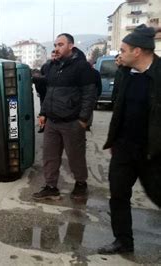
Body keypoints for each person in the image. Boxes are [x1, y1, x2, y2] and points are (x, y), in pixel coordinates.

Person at [97, 24, 161, 255]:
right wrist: (114, 141)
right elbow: (118, 108)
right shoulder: (125, 74)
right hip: (124, 148)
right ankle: (123, 241)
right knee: (118, 195)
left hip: (154, 152)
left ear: (138, 51)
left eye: (123, 50)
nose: (119, 54)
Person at [32, 33, 97, 201]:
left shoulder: (81, 67)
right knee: (50, 157)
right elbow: (49, 94)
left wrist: (83, 120)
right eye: (55, 45)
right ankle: (51, 187)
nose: (56, 48)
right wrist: (43, 113)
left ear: (71, 46)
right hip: (52, 122)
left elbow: (89, 95)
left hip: (72, 122)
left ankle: (81, 184)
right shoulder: (53, 67)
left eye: (60, 44)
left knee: (75, 156)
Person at [32, 50, 56, 133]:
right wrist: (39, 90)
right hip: (44, 92)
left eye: (55, 56)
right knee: (43, 110)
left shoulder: (60, 66)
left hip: (55, 92)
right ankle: (43, 126)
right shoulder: (45, 66)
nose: (54, 57)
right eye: (53, 56)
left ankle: (50, 126)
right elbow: (41, 78)